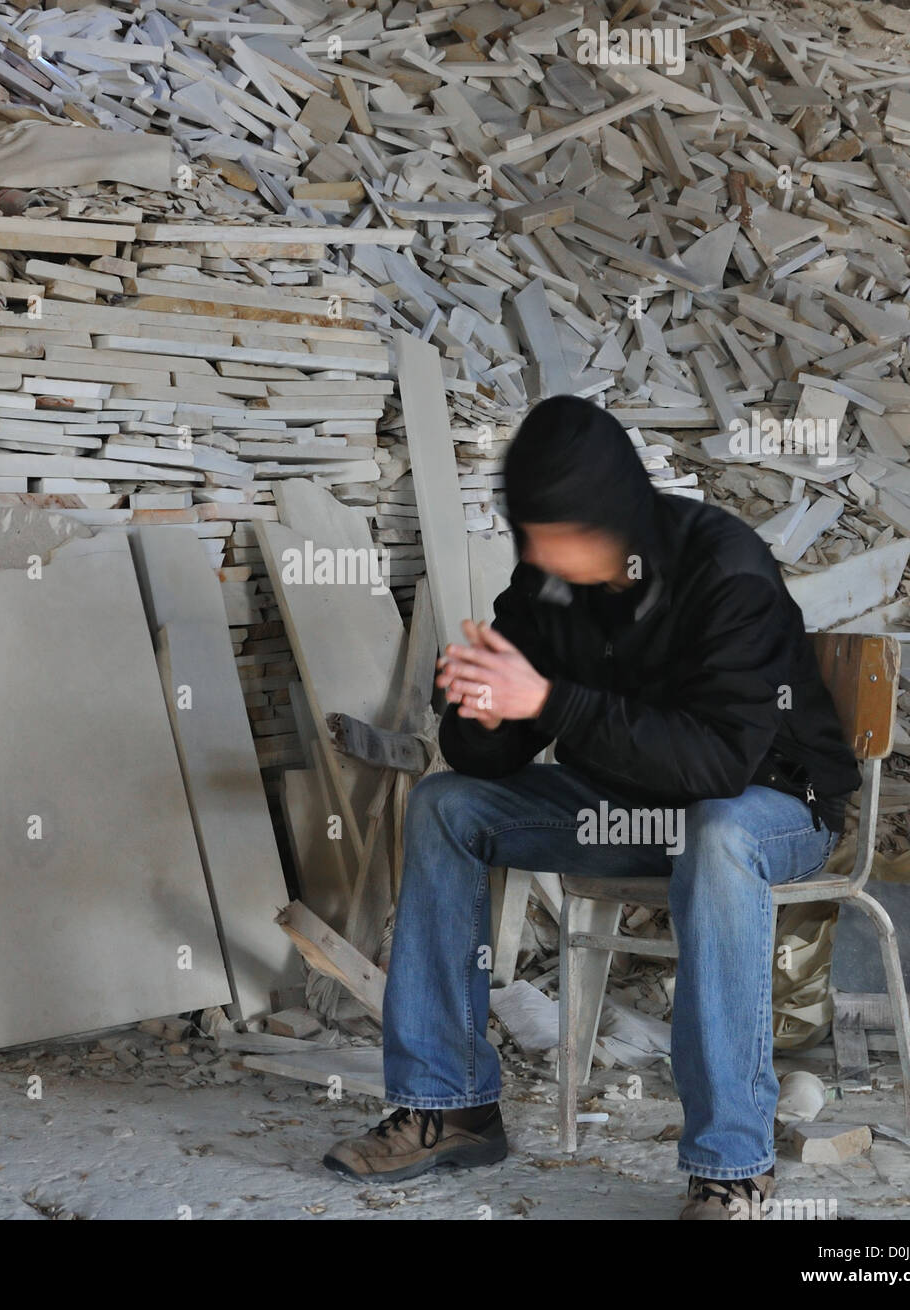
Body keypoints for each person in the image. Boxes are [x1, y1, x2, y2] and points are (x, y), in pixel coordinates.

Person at [322, 395, 860, 1219]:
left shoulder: (726, 569)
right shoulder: (548, 577)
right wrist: (480, 706)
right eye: (530, 539)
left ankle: (733, 1166)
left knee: (715, 834)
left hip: (773, 808)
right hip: (628, 811)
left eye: (559, 539)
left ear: (618, 520)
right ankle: (451, 1104)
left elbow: (718, 763)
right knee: (444, 804)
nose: (541, 559)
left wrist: (549, 698)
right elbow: (485, 756)